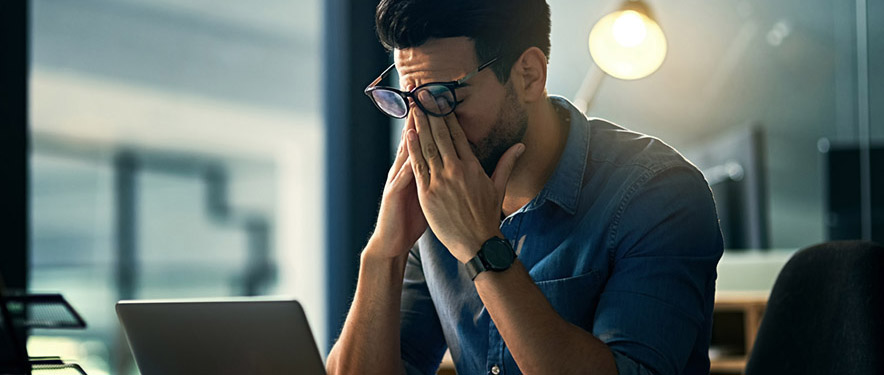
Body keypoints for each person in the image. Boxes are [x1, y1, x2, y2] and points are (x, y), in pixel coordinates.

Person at [326, 0, 724, 374]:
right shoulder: (433, 205)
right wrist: (385, 251)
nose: (418, 129)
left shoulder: (658, 194)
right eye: (406, 99)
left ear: (528, 75)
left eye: (441, 98)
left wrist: (481, 245)